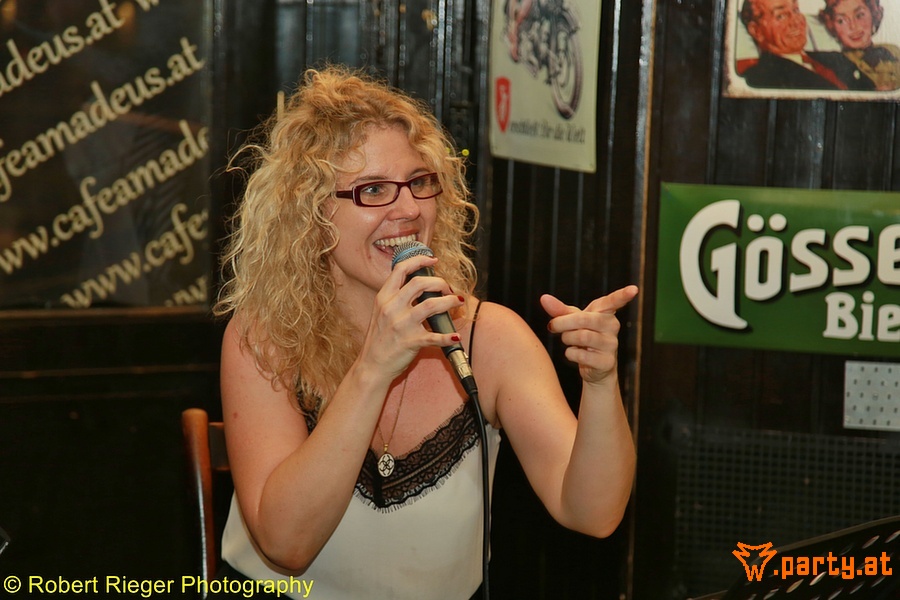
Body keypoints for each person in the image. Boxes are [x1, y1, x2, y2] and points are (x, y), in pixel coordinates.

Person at [212, 65, 637, 599]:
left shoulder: (488, 337)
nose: (409, 209)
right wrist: (373, 370)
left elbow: (594, 513)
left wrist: (600, 384)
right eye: (373, 190)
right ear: (311, 216)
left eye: (419, 182)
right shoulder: (264, 337)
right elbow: (286, 545)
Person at [738, 0, 875, 90]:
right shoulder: (761, 79)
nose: (796, 21)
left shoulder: (835, 58)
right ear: (756, 31)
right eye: (781, 16)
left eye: (796, 11)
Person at [819, 0, 900, 91]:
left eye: (860, 15)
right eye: (841, 21)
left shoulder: (894, 51)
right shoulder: (834, 64)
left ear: (873, 14)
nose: (853, 26)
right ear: (831, 25)